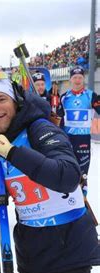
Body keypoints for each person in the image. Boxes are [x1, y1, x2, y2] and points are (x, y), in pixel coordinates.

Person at [0, 71, 99, 273]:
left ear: (16, 101)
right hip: (32, 255)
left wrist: (13, 153)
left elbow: (68, 176)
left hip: (68, 253)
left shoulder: (40, 129)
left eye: (1, 99)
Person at [60, 65, 100, 193]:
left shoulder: (90, 95)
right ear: (70, 79)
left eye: (80, 77)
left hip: (83, 139)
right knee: (67, 167)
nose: (77, 80)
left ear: (83, 79)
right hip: (67, 138)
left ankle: (83, 194)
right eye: (75, 77)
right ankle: (67, 192)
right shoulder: (64, 97)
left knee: (83, 170)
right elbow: (58, 117)